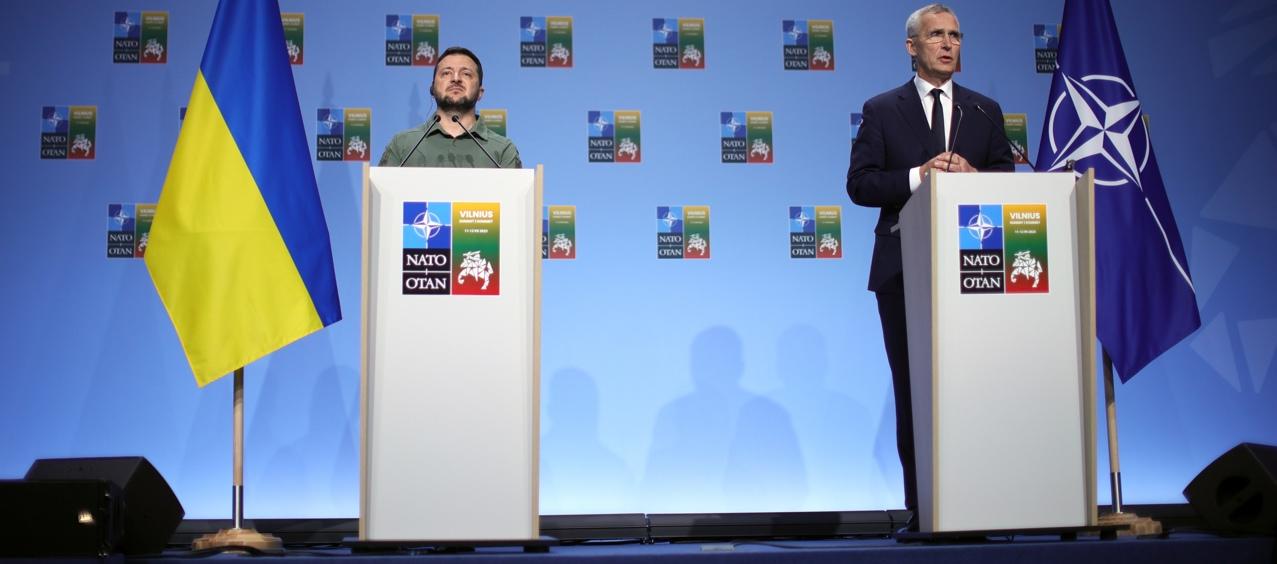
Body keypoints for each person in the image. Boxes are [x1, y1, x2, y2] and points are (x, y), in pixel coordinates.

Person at [846, 3, 1014, 532]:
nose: (948, 44)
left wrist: (975, 177)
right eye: (936, 35)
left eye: (955, 36)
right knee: (915, 390)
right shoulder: (882, 109)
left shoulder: (984, 110)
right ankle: (925, 508)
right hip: (904, 269)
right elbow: (860, 185)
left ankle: (979, 505)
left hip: (976, 269)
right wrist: (919, 175)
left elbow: (1008, 179)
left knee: (974, 389)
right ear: (912, 46)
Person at [380, 46, 522, 168]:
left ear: (480, 92)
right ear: (432, 89)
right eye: (446, 73)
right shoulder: (402, 145)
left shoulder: (503, 150)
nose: (456, 78)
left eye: (466, 74)